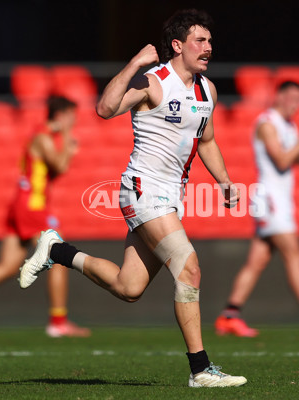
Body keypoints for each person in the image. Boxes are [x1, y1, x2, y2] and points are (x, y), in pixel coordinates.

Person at [19, 9, 246, 388]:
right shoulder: (152, 80)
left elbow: (205, 141)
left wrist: (224, 181)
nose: (208, 47)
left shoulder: (208, 90)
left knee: (129, 288)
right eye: (199, 41)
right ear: (177, 45)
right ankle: (201, 370)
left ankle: (57, 251)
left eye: (209, 40)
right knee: (189, 268)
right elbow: (105, 109)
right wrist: (135, 62)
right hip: (143, 190)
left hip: (170, 195)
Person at [215, 81, 299, 337]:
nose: (295, 104)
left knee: (256, 262)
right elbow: (281, 160)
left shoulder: (288, 125)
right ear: (278, 96)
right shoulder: (267, 123)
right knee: (295, 255)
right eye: (291, 97)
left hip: (277, 200)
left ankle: (229, 316)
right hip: (270, 199)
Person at [0, 96, 90, 339]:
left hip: (21, 205)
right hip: (32, 206)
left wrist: (66, 147)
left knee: (8, 266)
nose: (74, 122)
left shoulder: (40, 136)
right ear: (61, 115)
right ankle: (58, 321)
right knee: (59, 254)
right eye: (72, 117)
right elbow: (61, 166)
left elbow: (48, 174)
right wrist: (68, 141)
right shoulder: (44, 138)